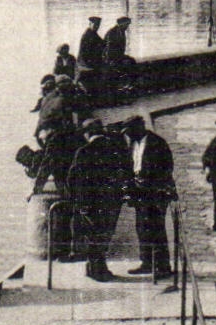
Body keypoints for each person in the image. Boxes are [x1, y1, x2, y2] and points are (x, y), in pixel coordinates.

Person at [67, 119, 130, 281]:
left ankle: (95, 270)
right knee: (104, 235)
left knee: (93, 236)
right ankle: (98, 269)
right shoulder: (114, 150)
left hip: (90, 202)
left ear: (88, 133)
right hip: (111, 201)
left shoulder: (83, 151)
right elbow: (124, 172)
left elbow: (73, 179)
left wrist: (79, 202)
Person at [122, 116, 176, 280]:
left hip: (155, 192)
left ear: (139, 128)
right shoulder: (133, 143)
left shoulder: (157, 143)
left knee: (156, 229)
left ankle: (163, 266)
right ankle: (147, 262)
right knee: (142, 227)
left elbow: (167, 168)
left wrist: (151, 183)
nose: (128, 135)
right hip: (140, 191)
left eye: (130, 131)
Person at [78, 17, 105, 95]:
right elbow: (85, 53)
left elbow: (102, 43)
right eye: (95, 25)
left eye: (98, 25)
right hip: (85, 62)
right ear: (90, 24)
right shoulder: (87, 35)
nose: (97, 27)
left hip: (91, 60)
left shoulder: (93, 34)